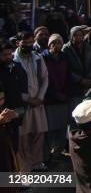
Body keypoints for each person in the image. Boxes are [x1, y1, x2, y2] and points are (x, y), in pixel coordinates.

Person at [13, 31, 48, 172]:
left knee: (39, 133)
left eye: (30, 42)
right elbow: (13, 86)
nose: (28, 45)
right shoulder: (13, 60)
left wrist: (39, 97)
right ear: (18, 43)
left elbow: (45, 78)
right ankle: (24, 169)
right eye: (25, 42)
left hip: (38, 102)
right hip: (23, 104)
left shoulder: (38, 58)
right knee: (23, 137)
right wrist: (28, 99)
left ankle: (36, 163)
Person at [42, 33, 70, 162]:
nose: (56, 45)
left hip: (63, 96)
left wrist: (65, 93)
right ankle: (47, 155)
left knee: (61, 127)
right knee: (49, 128)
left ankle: (57, 153)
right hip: (49, 98)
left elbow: (68, 76)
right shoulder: (43, 58)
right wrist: (53, 93)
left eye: (58, 43)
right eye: (53, 43)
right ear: (49, 45)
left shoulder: (65, 58)